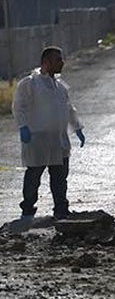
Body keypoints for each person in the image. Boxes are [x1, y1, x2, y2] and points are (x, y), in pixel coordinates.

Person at [11, 46, 85, 221]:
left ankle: (61, 210)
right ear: (46, 62)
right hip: (38, 139)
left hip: (59, 139)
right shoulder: (30, 83)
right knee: (33, 177)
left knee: (60, 178)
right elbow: (18, 106)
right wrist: (23, 126)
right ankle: (28, 210)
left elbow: (69, 109)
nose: (62, 62)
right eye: (58, 59)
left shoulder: (59, 86)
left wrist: (77, 128)